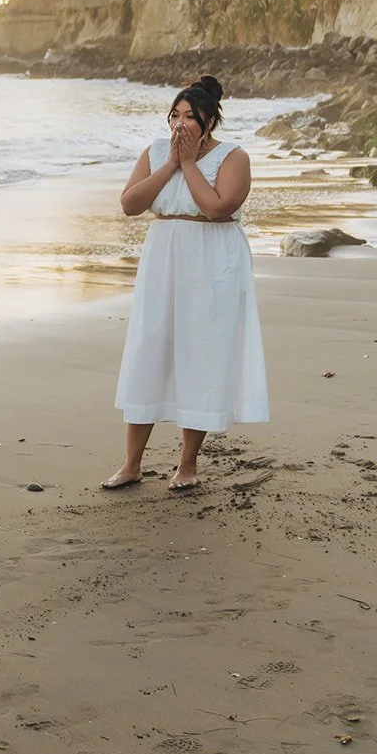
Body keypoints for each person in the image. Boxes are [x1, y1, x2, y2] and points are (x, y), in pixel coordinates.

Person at [103, 76, 268, 492]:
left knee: (202, 353)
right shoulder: (156, 153)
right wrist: (172, 164)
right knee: (149, 348)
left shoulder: (234, 157)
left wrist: (190, 163)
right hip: (164, 257)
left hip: (213, 260)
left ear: (209, 121)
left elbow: (217, 208)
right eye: (174, 115)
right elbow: (129, 205)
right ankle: (131, 464)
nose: (179, 125)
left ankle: (187, 465)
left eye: (190, 117)